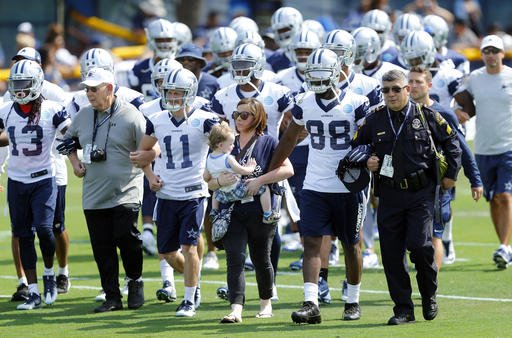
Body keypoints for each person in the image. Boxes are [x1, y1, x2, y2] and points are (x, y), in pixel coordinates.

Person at [269, 48, 371, 324]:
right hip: (315, 183)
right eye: (312, 74)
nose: (316, 80)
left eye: (321, 74)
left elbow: (370, 138)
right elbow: (289, 140)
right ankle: (311, 302)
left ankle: (352, 300)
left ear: (337, 72)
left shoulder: (357, 102)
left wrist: (366, 153)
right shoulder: (304, 103)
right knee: (311, 241)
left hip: (349, 186)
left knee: (351, 244)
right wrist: (269, 170)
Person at [352, 69, 461, 324]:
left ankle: (428, 294)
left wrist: (451, 176)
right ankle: (403, 309)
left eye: (396, 89)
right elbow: (355, 146)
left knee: (420, 245)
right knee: (391, 254)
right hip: (388, 194)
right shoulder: (374, 120)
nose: (390, 94)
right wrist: (367, 160)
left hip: (420, 194)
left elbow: (452, 143)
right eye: (386, 90)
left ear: (407, 90)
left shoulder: (426, 116)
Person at [62, 67, 146, 313]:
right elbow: (67, 141)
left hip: (126, 190)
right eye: (87, 89)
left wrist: (147, 162)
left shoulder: (132, 115)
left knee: (125, 237)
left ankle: (135, 280)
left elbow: (151, 146)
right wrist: (75, 163)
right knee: (102, 248)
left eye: (93, 89)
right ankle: (112, 297)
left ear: (109, 88)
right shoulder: (83, 115)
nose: (88, 94)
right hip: (94, 193)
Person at [136, 68, 219, 317]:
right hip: (167, 194)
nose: (172, 96)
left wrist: (214, 173)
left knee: (189, 247)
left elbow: (226, 145)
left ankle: (189, 298)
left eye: (178, 92)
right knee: (167, 253)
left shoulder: (205, 119)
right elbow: (142, 154)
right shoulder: (157, 119)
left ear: (190, 93)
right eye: (169, 92)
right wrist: (151, 177)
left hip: (194, 193)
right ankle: (195, 282)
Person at [206, 97, 293, 323]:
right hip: (230, 210)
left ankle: (266, 303)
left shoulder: (268, 141)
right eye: (236, 114)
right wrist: (217, 183)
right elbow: (207, 181)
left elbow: (288, 170)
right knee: (235, 258)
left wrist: (259, 180)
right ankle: (236, 309)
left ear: (258, 118)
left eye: (244, 115)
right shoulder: (225, 141)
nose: (239, 119)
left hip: (259, 208)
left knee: (261, 258)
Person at [0, 60, 71, 310]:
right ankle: (32, 291)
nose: (19, 90)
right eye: (16, 84)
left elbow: (70, 136)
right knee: (23, 235)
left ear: (37, 83)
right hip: (17, 180)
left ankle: (49, 274)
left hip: (44, 177)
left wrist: (74, 158)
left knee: (44, 228)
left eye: (24, 84)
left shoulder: (53, 109)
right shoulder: (6, 110)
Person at [408, 67, 483, 269]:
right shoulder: (401, 111)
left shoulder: (443, 113)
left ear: (429, 86)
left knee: (434, 234)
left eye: (418, 82)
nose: (413, 86)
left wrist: (475, 180)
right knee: (409, 239)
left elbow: (462, 148)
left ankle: (430, 289)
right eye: (411, 82)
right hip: (407, 186)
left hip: (436, 185)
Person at [454, 35, 512, 269]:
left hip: (509, 147)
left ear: (502, 53)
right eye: (486, 51)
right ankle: (505, 247)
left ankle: (505, 246)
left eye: (494, 51)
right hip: (483, 148)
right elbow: (458, 100)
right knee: (493, 200)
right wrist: (459, 111)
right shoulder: (474, 79)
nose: (490, 55)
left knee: (505, 196)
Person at [205, 121, 278, 224]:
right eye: (230, 144)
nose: (233, 146)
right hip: (235, 190)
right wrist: (251, 167)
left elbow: (206, 177)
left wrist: (218, 179)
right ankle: (267, 214)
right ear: (221, 145)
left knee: (215, 191)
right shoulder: (228, 158)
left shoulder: (209, 158)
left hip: (222, 195)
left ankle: (214, 211)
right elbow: (242, 171)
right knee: (265, 188)